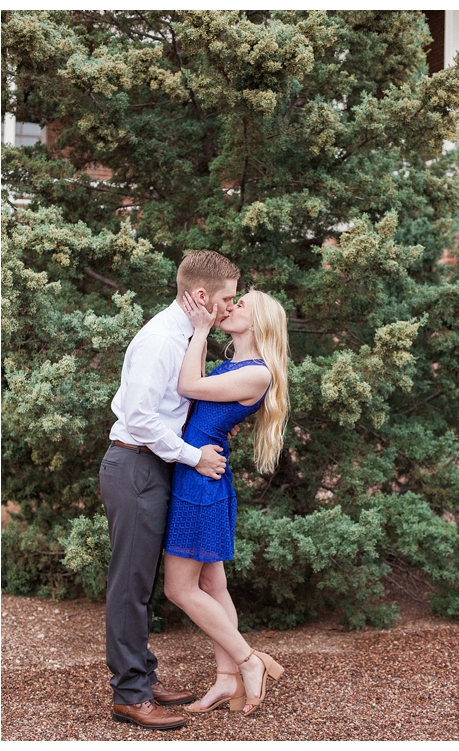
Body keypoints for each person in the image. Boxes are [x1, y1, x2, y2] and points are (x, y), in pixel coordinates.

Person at [100, 250, 240, 730]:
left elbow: (177, 403)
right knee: (130, 585)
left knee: (140, 584)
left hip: (154, 466)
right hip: (135, 465)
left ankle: (142, 677)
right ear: (201, 296)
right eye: (228, 298)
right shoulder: (162, 339)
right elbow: (139, 417)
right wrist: (193, 455)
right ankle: (130, 696)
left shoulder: (186, 334)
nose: (230, 306)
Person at [162, 288, 288, 717]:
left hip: (201, 484)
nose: (231, 307)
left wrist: (199, 329)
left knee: (179, 588)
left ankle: (250, 661)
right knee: (213, 586)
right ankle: (226, 681)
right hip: (197, 471)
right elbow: (203, 412)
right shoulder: (235, 364)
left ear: (259, 323)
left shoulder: (258, 372)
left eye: (241, 304)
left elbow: (187, 385)